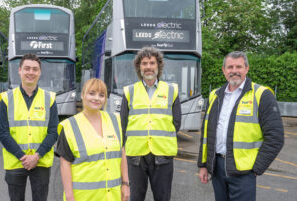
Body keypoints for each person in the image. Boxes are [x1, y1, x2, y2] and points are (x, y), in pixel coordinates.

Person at [197, 51, 284, 201]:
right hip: (217, 168)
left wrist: (256, 169)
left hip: (244, 172)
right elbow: (207, 133)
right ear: (224, 70)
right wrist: (203, 164)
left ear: (246, 69)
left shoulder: (261, 95)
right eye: (230, 67)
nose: (234, 71)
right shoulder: (215, 95)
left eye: (239, 66)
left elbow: (275, 136)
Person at [120, 47, 181, 201]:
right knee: (135, 198)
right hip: (136, 155)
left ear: (158, 66)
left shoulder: (171, 90)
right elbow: (123, 123)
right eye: (144, 63)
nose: (148, 67)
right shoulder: (129, 91)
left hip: (163, 154)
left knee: (162, 197)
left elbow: (176, 122)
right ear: (139, 67)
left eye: (152, 63)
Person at [56, 78, 130, 201]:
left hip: (112, 196)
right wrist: (69, 196)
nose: (96, 98)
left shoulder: (115, 121)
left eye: (101, 95)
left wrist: (126, 184)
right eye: (92, 93)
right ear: (82, 95)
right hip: (83, 197)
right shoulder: (70, 126)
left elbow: (122, 153)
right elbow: (65, 163)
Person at [0, 53, 58, 201]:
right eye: (27, 68)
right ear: (19, 70)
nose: (31, 72)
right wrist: (23, 156)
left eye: (35, 69)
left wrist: (36, 156)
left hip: (41, 161)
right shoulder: (6, 98)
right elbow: (3, 133)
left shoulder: (49, 98)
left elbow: (53, 132)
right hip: (16, 161)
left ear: (40, 72)